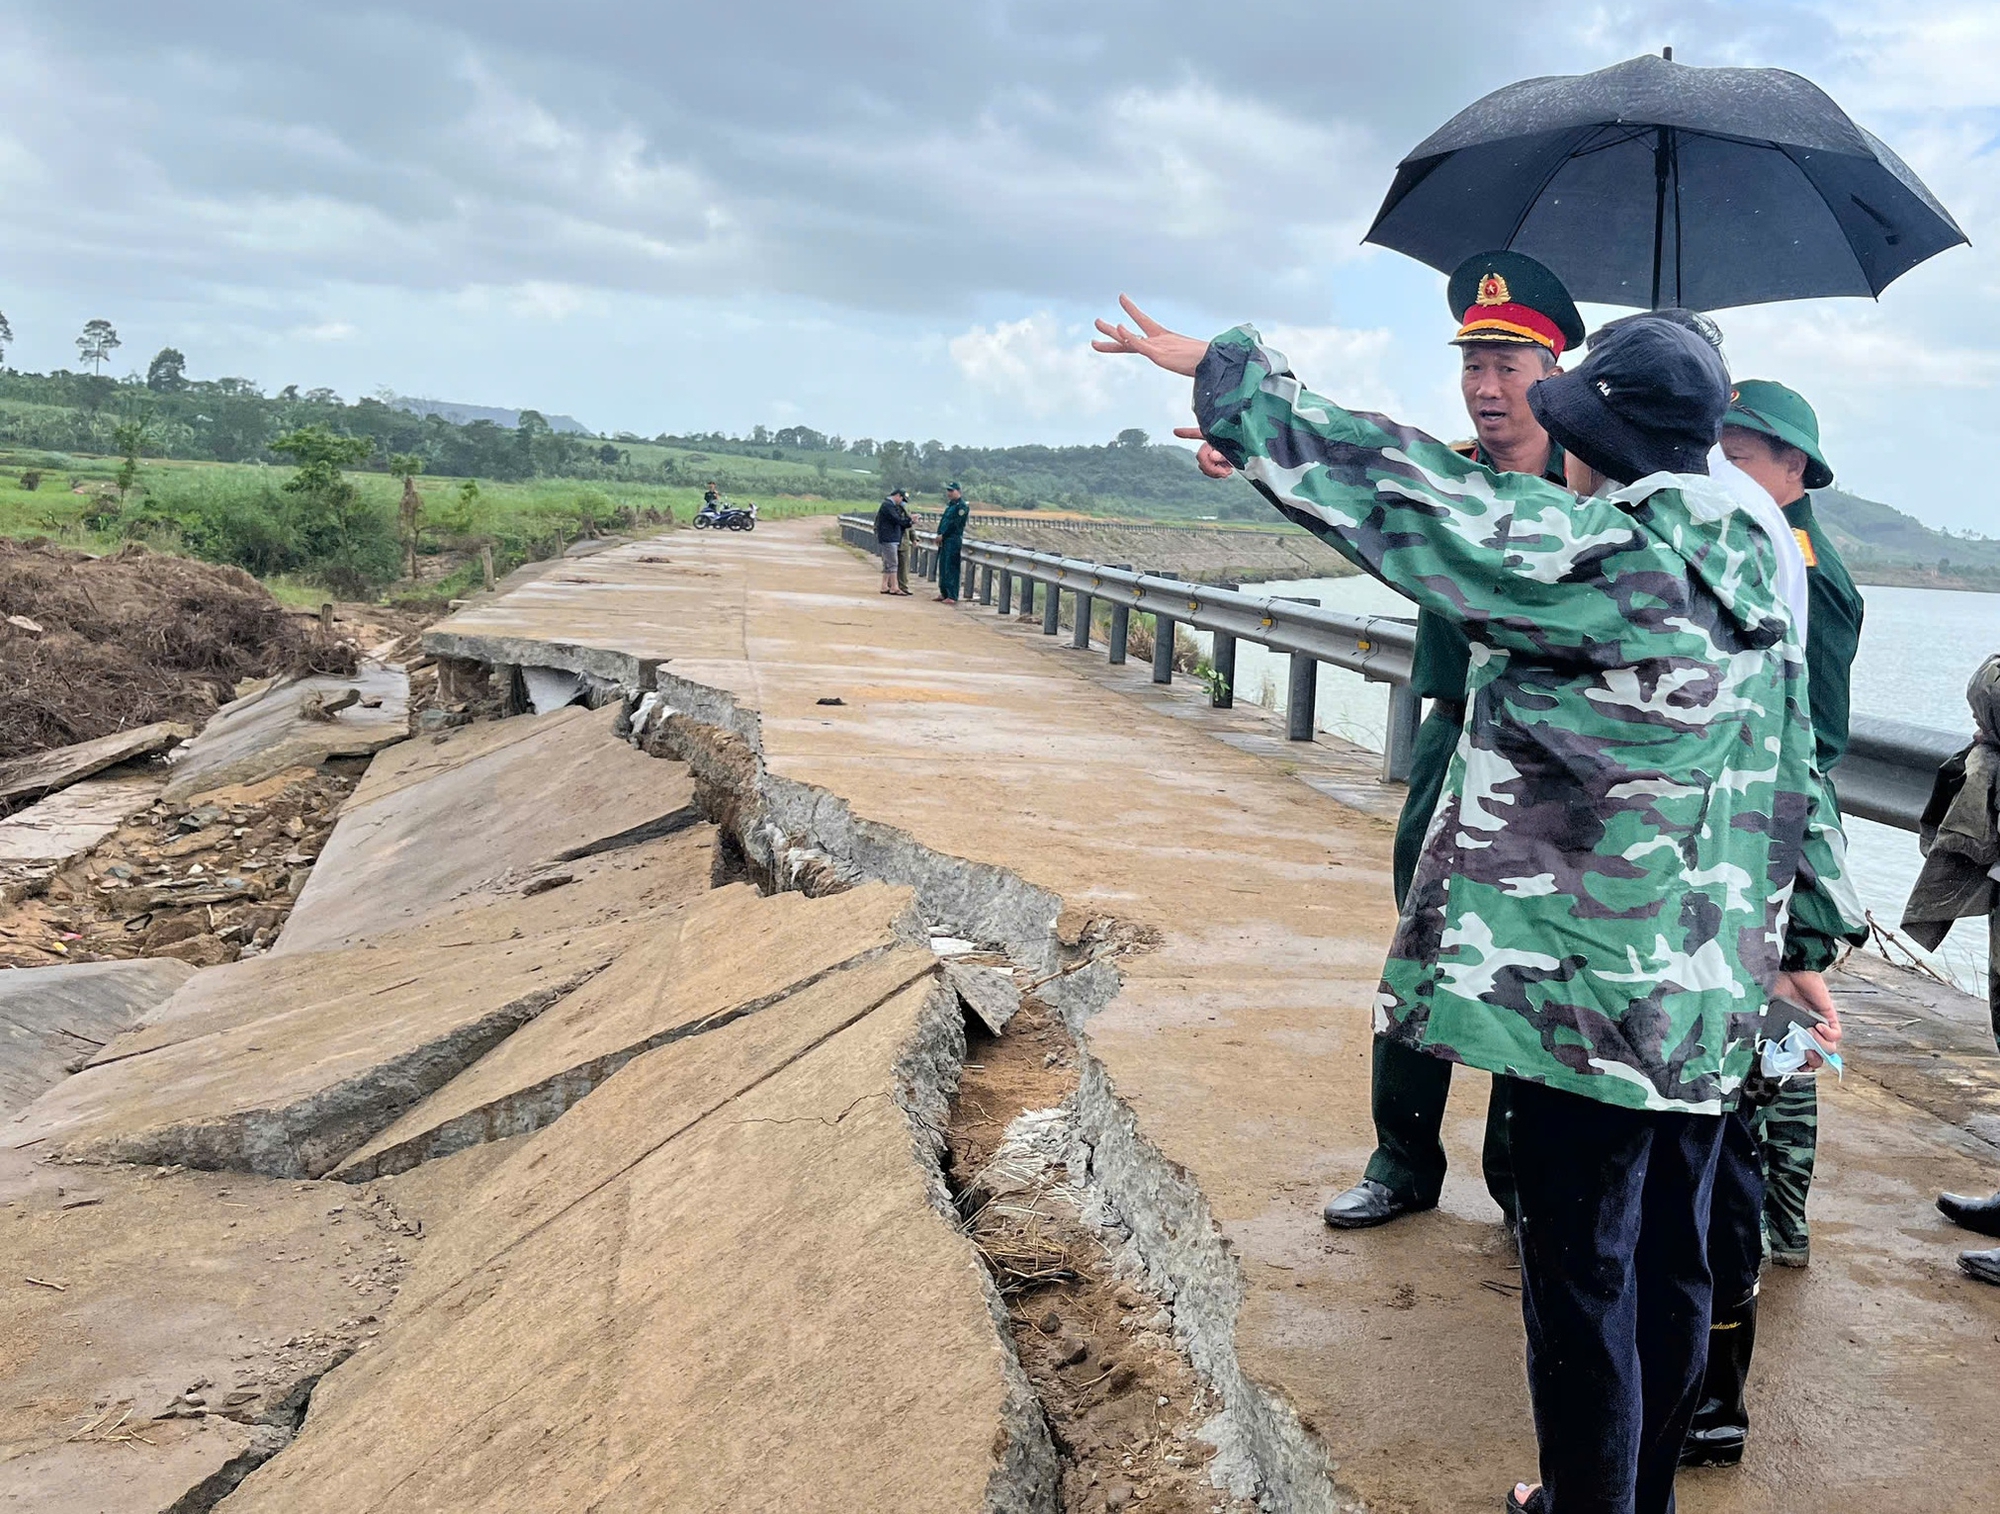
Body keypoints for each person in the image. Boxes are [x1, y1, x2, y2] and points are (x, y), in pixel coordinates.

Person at [1093, 296, 1864, 1514]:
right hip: (1706, 995)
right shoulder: (1755, 558)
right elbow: (1796, 759)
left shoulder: (1613, 557)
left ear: (1587, 436)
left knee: (1581, 1285)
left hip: (1587, 995)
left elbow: (1418, 508)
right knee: (1668, 1264)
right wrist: (1805, 932)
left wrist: (1235, 384)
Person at [1323, 250, 1582, 1235]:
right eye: (1471, 363)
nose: (1483, 387)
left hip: (1548, 758)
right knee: (1419, 952)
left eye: (1506, 363)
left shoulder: (1596, 486)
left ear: (1555, 368)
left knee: (1532, 965)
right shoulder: (1442, 475)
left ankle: (1518, 1182)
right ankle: (1400, 1160)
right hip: (1448, 736)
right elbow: (1348, 499)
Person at [1679, 379, 1866, 1469]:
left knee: (1778, 1067)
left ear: (1793, 469)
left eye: (1744, 453)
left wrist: (1797, 885)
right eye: (1718, 448)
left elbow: (1815, 726)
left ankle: (1776, 1224)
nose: (1727, 469)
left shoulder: (1803, 566)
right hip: (1754, 814)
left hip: (1783, 814)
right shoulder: (1745, 537)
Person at [874, 487, 913, 596]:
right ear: (897, 496)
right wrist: (910, 520)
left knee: (888, 563)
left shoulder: (890, 505)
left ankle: (885, 585)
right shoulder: (888, 505)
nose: (901, 502)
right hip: (889, 538)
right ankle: (894, 587)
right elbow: (897, 520)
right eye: (901, 499)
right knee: (893, 563)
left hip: (891, 538)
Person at [935, 482, 970, 603]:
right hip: (944, 540)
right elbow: (944, 522)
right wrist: (939, 534)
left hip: (953, 539)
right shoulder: (950, 506)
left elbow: (955, 524)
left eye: (951, 491)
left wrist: (943, 535)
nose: (949, 493)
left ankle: (952, 595)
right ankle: (944, 592)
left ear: (958, 491)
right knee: (943, 566)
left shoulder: (962, 506)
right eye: (948, 491)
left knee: (951, 567)